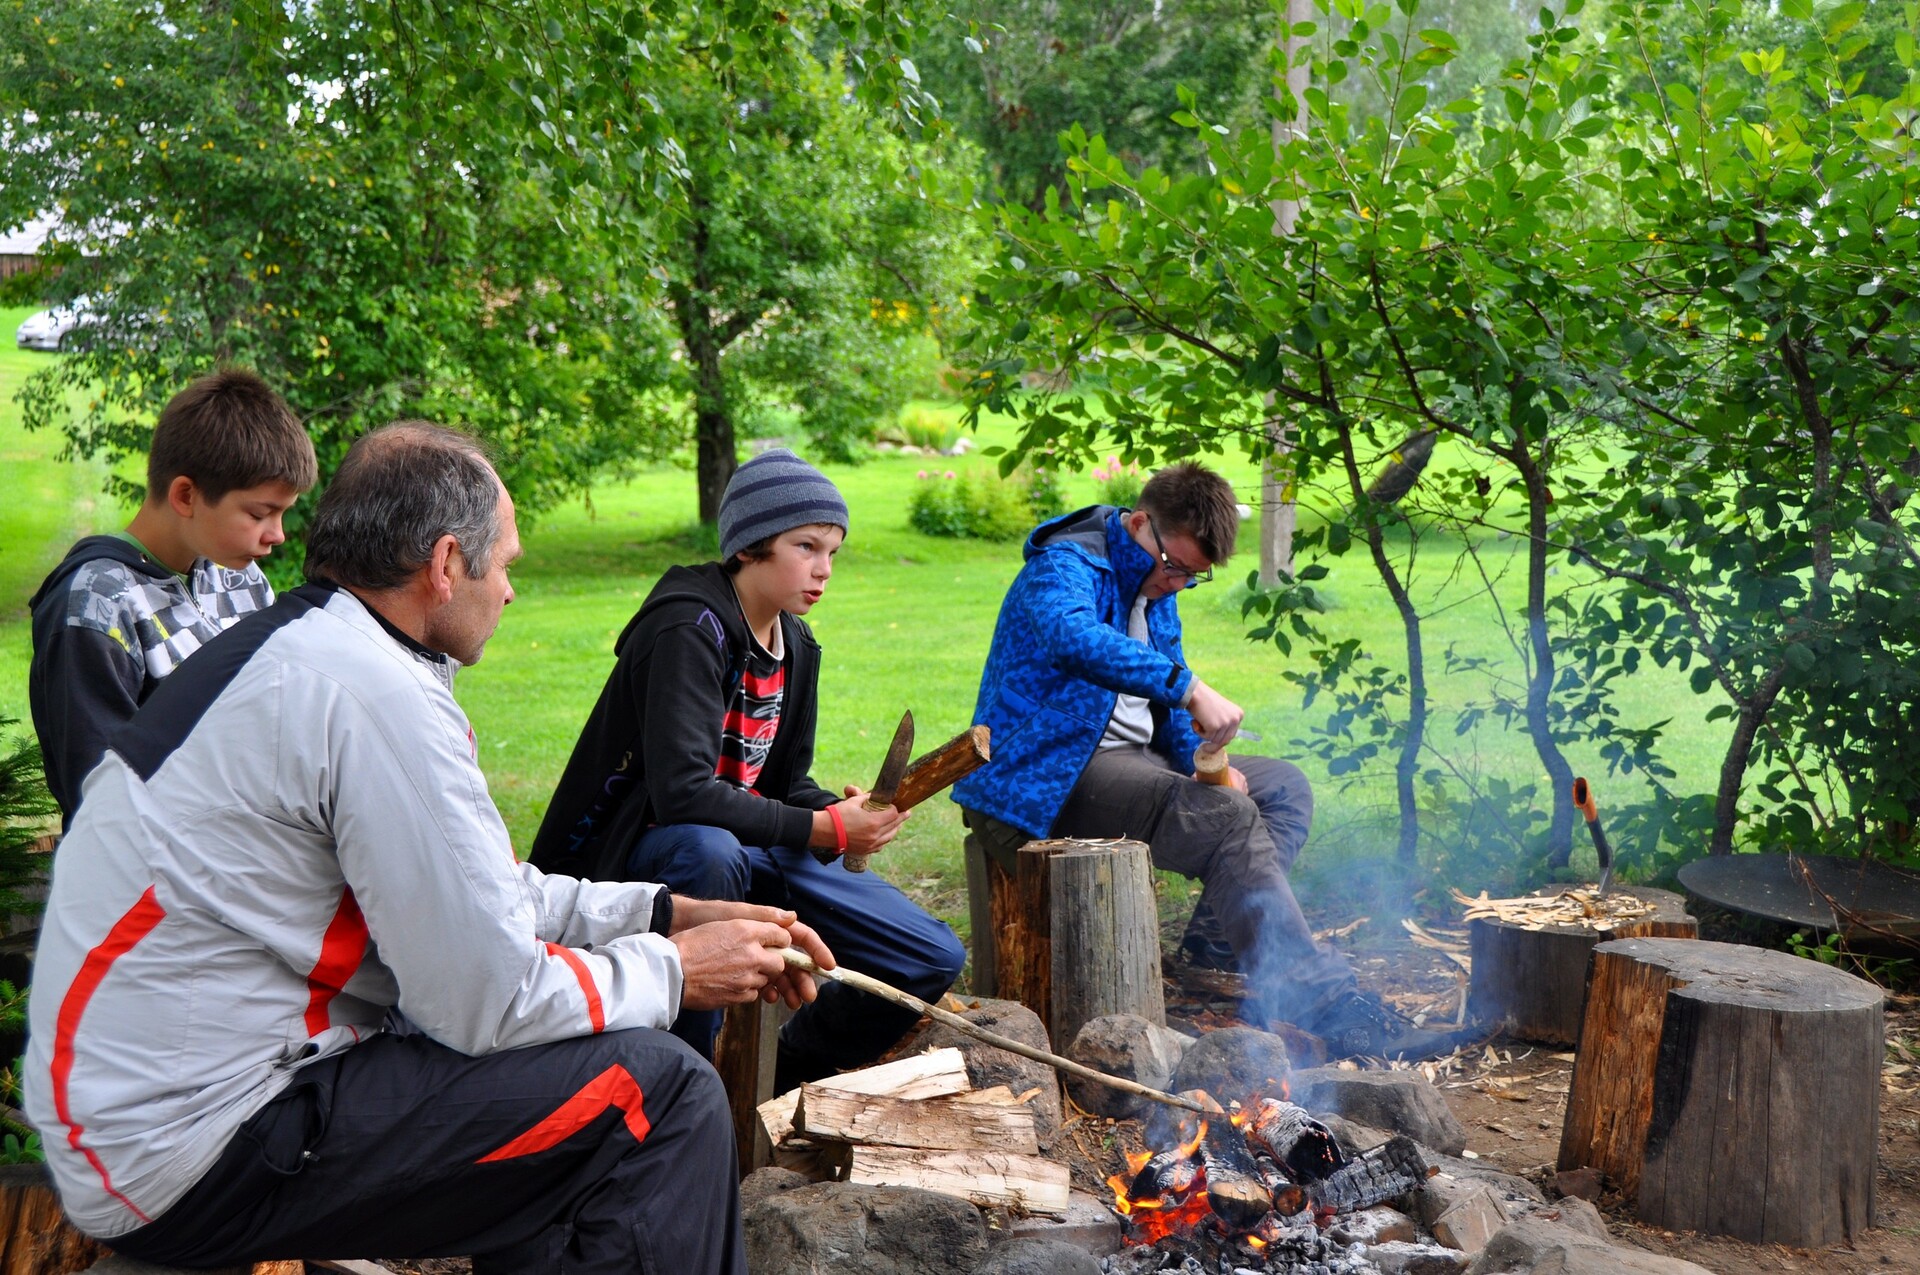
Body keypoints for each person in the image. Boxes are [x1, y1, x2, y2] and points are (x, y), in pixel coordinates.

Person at [25, 422, 828, 1274]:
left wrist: (663, 911)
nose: (510, 591)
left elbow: (476, 892)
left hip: (143, 1119)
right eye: (505, 564)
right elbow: (488, 1000)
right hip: (190, 1145)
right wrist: (674, 968)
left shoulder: (320, 649)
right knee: (662, 1092)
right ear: (446, 563)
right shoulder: (370, 693)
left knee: (566, 1078)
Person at [954, 461, 1471, 1061]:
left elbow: (1167, 703)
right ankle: (1323, 1004)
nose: (1176, 584)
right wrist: (1190, 689)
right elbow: (1072, 638)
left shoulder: (1156, 585)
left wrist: (1203, 760)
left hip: (1127, 762)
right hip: (1040, 780)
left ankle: (1213, 950)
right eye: (1173, 565)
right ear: (1140, 523)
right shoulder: (1064, 566)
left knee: (1282, 788)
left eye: (1192, 576)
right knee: (1225, 818)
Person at [531, 448, 964, 1089]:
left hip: (747, 847)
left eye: (833, 551)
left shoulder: (797, 645)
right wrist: (826, 829)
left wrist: (839, 814)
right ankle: (683, 1087)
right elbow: (682, 795)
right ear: (750, 545)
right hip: (644, 855)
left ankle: (786, 1074)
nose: (824, 568)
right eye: (806, 546)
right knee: (708, 850)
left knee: (927, 953)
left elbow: (782, 786)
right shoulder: (688, 627)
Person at [28, 367, 317, 826]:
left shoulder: (242, 581)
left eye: (283, 513)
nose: (277, 535)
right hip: (146, 864)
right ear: (185, 495)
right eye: (260, 513)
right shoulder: (96, 606)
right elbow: (96, 795)